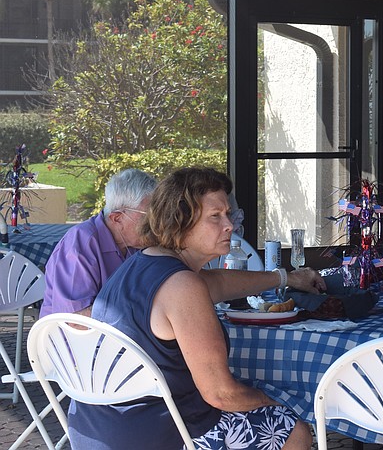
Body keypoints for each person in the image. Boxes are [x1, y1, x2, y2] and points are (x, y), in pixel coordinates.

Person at [69, 167, 325, 450]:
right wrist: (281, 401)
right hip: (158, 434)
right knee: (293, 428)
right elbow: (221, 394)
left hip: (98, 427)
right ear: (180, 222)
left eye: (228, 214)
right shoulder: (182, 285)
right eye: (215, 217)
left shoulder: (144, 263)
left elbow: (218, 282)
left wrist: (285, 277)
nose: (230, 225)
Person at [41, 168, 156, 317]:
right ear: (117, 218)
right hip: (72, 337)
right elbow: (73, 318)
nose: (155, 225)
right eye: (147, 218)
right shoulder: (81, 243)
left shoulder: (137, 244)